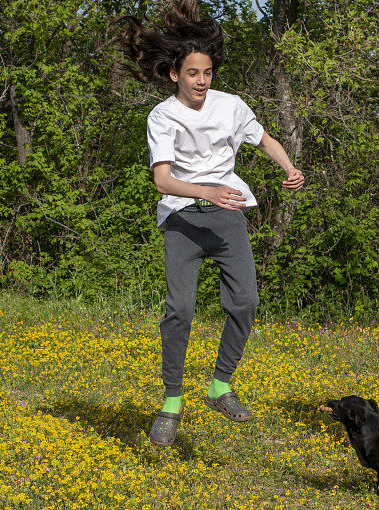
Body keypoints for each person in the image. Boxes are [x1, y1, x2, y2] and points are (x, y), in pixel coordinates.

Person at [115, 0, 304, 447]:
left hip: (226, 216)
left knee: (245, 300)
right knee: (179, 310)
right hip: (182, 218)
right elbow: (162, 178)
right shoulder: (162, 116)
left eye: (207, 73)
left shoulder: (231, 106)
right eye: (193, 73)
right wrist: (206, 191)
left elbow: (264, 138)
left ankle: (220, 386)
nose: (202, 80)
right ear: (174, 75)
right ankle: (172, 401)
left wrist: (288, 166)